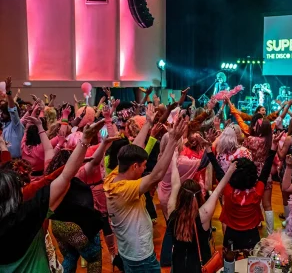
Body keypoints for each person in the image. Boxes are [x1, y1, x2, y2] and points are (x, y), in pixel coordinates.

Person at [0, 120, 104, 272]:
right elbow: (64, 177)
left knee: (69, 257)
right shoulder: (29, 214)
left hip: (60, 230)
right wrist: (86, 140)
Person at [103, 115, 186, 273]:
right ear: (134, 166)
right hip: (140, 258)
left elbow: (135, 147)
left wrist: (148, 123)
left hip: (130, 253)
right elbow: (157, 175)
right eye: (143, 166)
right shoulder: (123, 189)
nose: (144, 169)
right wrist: (173, 141)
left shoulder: (114, 176)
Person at [167, 149, 237, 272]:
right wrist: (230, 171)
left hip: (179, 264)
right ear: (199, 195)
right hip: (200, 265)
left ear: (180, 195)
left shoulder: (172, 210)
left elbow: (175, 184)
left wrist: (173, 161)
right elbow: (217, 190)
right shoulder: (203, 215)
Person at [0, 77, 24, 158]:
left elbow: (12, 110)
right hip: (7, 161)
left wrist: (8, 92)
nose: (1, 115)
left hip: (17, 162)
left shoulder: (16, 125)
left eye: (3, 113)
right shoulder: (5, 125)